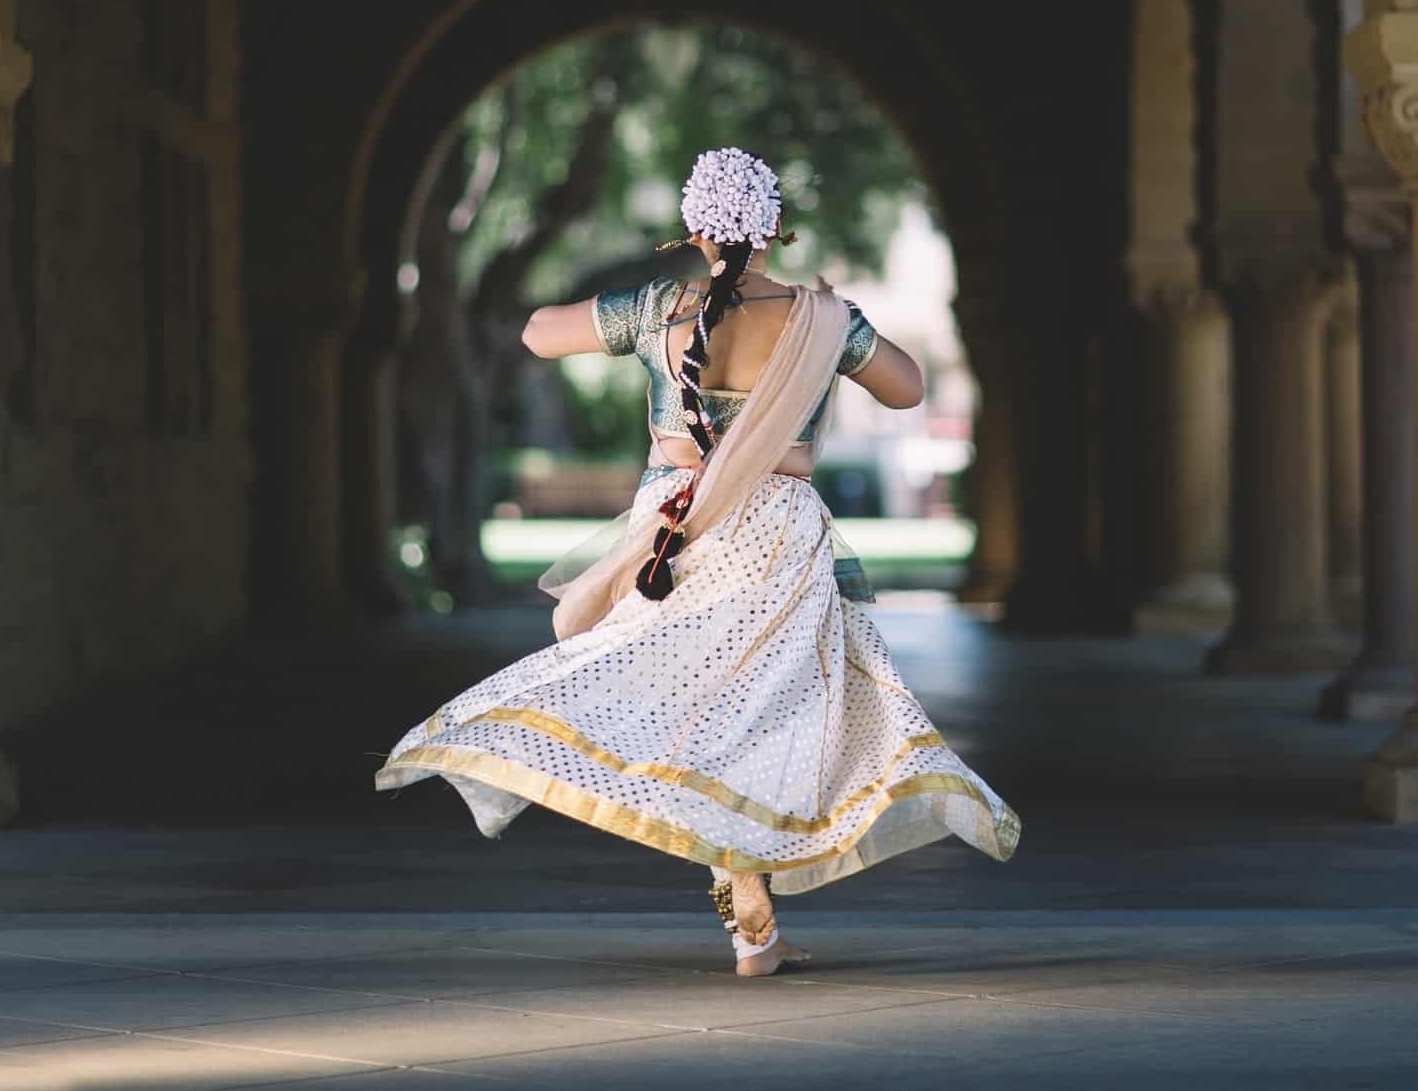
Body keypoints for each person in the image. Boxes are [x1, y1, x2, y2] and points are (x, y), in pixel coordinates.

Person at [375, 148, 1019, 977]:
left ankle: (752, 925)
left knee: (683, 709)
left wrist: (630, 311)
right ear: (777, 228)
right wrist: (843, 331)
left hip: (671, 534)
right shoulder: (820, 320)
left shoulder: (660, 310)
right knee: (757, 718)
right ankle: (755, 924)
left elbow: (537, 333)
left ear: (692, 230)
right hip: (777, 537)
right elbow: (908, 388)